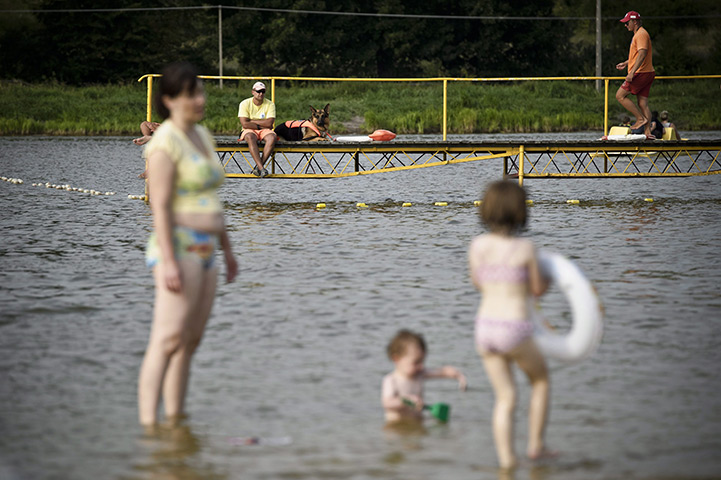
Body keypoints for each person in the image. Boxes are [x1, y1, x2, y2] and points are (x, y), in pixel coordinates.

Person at [138, 62, 238, 426]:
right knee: (166, 340)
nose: (200, 99)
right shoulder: (165, 142)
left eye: (200, 91)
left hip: (209, 250)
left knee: (190, 341)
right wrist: (168, 261)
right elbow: (161, 206)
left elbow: (212, 198)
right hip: (178, 249)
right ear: (169, 100)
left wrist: (227, 249)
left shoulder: (201, 134)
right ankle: (150, 428)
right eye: (191, 93)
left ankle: (176, 425)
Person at [469, 181, 552, 470]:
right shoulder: (526, 248)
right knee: (540, 380)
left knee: (505, 397)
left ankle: (506, 463)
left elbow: (479, 283)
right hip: (514, 328)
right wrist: (550, 280)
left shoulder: (477, 246)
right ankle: (536, 446)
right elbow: (538, 290)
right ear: (520, 212)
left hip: (485, 329)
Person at [381, 329, 467, 424]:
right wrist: (405, 400)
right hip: (396, 429)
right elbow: (387, 403)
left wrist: (458, 375)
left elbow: (441, 372)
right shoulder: (391, 380)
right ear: (396, 359)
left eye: (422, 361)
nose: (421, 366)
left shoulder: (420, 374)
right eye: (416, 362)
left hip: (417, 426)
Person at [615, 11, 656, 139]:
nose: (625, 25)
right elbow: (637, 55)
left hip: (640, 73)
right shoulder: (639, 34)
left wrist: (631, 72)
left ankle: (640, 119)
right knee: (642, 103)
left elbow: (643, 53)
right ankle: (648, 132)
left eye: (627, 23)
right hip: (647, 72)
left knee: (620, 96)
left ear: (635, 22)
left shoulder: (641, 34)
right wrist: (627, 63)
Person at [238, 81, 277, 177]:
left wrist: (251, 121)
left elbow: (269, 123)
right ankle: (261, 168)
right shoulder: (244, 103)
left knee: (272, 137)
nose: (261, 94)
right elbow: (244, 124)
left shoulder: (270, 104)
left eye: (263, 91)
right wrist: (261, 124)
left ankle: (259, 167)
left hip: (264, 131)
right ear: (253, 92)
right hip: (249, 131)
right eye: (258, 91)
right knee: (251, 137)